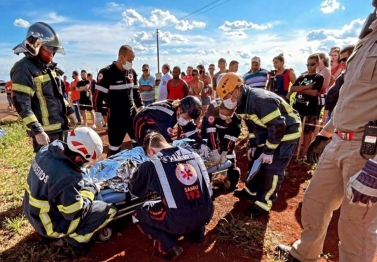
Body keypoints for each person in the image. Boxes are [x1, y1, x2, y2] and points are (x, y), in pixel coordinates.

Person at [277, 3, 377, 261]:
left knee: (357, 225)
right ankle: (305, 254)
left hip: (367, 149)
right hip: (340, 140)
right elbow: (347, 95)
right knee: (315, 202)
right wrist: (325, 134)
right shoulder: (369, 36)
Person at [216, 73, 301, 216]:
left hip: (286, 133)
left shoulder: (260, 101)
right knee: (255, 159)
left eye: (226, 97)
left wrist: (269, 151)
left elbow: (278, 126)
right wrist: (253, 145)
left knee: (272, 169)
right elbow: (253, 126)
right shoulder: (242, 103)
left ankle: (264, 203)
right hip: (268, 131)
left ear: (235, 91)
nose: (226, 102)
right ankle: (251, 191)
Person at [23, 127, 117, 252]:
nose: (85, 164)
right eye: (85, 160)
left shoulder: (46, 151)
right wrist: (91, 190)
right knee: (109, 210)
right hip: (49, 225)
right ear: (78, 158)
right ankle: (72, 243)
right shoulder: (66, 178)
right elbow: (75, 212)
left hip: (31, 213)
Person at [130, 132, 214, 260]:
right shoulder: (194, 155)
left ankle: (169, 247)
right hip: (206, 213)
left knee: (139, 213)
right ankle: (197, 234)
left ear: (150, 151)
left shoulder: (152, 163)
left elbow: (137, 190)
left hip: (179, 220)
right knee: (191, 198)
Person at [11, 22, 76, 152]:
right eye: (49, 48)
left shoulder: (49, 68)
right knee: (49, 168)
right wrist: (37, 130)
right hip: (45, 133)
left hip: (60, 128)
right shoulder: (23, 69)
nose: (52, 53)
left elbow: (56, 95)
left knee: (63, 166)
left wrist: (69, 111)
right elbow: (22, 103)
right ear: (36, 46)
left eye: (54, 49)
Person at [93, 44, 143, 156]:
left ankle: (140, 170)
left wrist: (141, 107)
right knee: (114, 149)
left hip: (131, 116)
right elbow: (97, 96)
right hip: (116, 118)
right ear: (121, 57)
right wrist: (98, 114)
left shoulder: (132, 73)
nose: (132, 63)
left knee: (139, 144)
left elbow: (136, 92)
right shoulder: (106, 73)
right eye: (130, 60)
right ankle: (111, 171)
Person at [201, 101, 242, 189]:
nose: (224, 116)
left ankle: (232, 179)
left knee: (229, 156)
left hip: (226, 133)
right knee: (208, 156)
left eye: (227, 115)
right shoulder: (212, 111)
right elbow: (211, 132)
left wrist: (225, 151)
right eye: (222, 113)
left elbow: (233, 137)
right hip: (209, 129)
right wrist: (214, 150)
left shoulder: (236, 120)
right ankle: (207, 180)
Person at [133, 96, 202, 146]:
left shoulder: (181, 110)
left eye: (189, 119)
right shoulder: (167, 117)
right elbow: (165, 141)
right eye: (186, 118)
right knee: (147, 145)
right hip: (142, 122)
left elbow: (190, 130)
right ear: (179, 110)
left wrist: (200, 142)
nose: (187, 121)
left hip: (155, 118)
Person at [291, 54, 324, 160]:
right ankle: (294, 152)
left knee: (308, 131)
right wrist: (307, 87)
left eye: (312, 64)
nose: (310, 67)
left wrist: (300, 89)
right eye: (308, 65)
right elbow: (293, 88)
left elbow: (314, 93)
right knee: (295, 130)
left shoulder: (319, 77)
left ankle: (303, 154)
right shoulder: (302, 77)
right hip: (297, 107)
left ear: (318, 64)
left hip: (310, 109)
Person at [324, 45, 355, 122]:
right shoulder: (345, 74)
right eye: (341, 60)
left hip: (343, 115)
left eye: (344, 59)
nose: (342, 62)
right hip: (333, 111)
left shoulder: (356, 76)